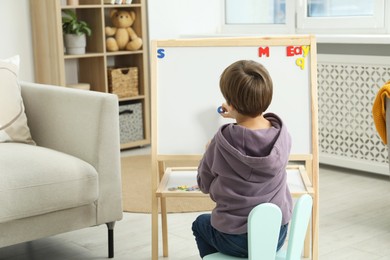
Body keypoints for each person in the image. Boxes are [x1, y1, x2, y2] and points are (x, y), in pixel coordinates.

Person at [192, 60, 293, 258]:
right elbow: (253, 133)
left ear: (231, 103)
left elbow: (203, 184)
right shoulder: (282, 136)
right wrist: (238, 115)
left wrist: (208, 151)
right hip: (276, 234)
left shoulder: (221, 142)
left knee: (200, 224)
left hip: (234, 237)